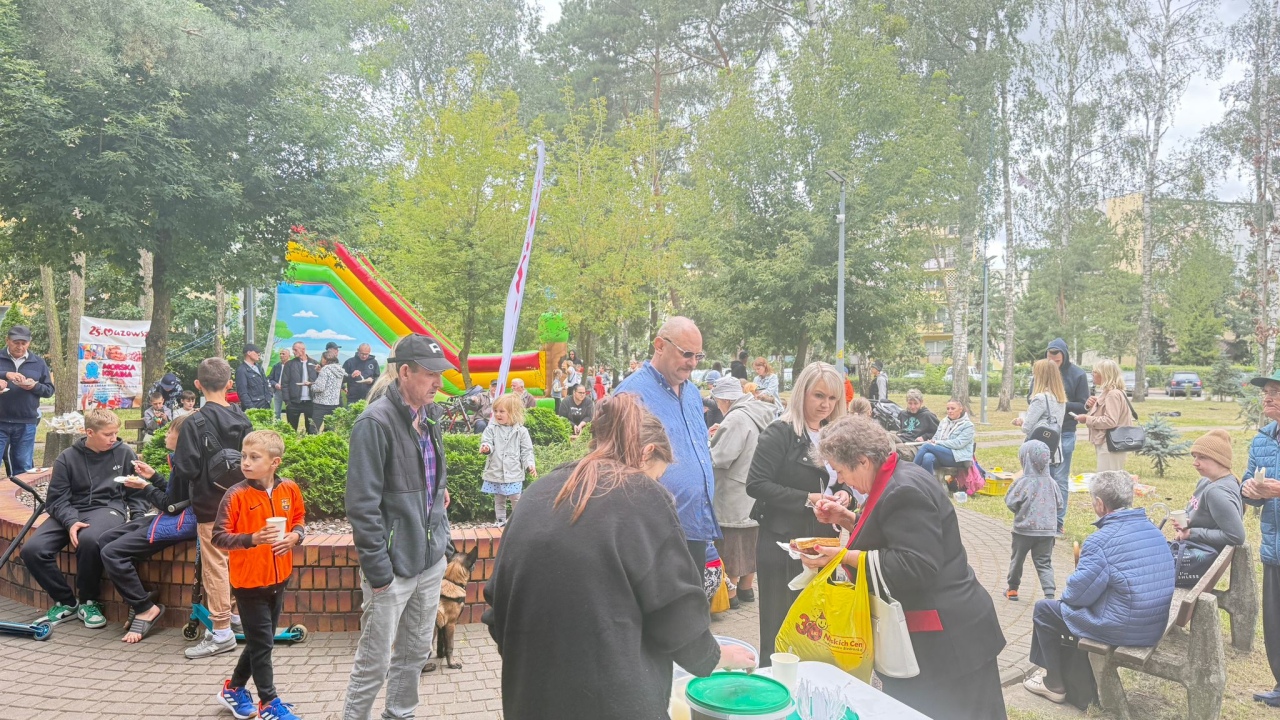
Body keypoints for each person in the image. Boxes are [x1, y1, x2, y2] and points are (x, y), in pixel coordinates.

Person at [482, 393, 756, 719]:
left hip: (530, 698)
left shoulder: (537, 493)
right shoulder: (642, 496)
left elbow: (497, 606)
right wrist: (713, 656)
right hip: (612, 702)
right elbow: (675, 610)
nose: (657, 484)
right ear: (647, 453)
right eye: (658, 475)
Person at [803, 414, 1007, 719]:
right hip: (947, 634)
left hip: (948, 641)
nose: (841, 479)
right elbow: (895, 532)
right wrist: (846, 518)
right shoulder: (898, 475)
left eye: (842, 471)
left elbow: (915, 564)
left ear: (862, 460)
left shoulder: (903, 490)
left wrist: (840, 556)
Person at [343, 334, 454, 720]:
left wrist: (443, 541)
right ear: (404, 372)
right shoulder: (374, 423)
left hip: (429, 563)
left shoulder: (430, 417)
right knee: (374, 665)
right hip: (391, 570)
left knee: (415, 655)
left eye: (440, 374)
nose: (438, 383)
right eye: (430, 374)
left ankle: (400, 714)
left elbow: (436, 487)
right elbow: (361, 504)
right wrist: (379, 573)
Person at [1023, 471, 1175, 705]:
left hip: (1124, 627)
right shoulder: (1153, 530)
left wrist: (1073, 586)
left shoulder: (1100, 541)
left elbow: (1075, 596)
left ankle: (1053, 683)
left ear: (1100, 504)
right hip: (1152, 623)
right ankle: (1051, 673)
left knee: (1045, 609)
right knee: (1059, 609)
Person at [745, 361, 851, 666]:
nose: (825, 405)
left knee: (817, 628)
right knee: (781, 626)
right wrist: (808, 498)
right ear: (801, 392)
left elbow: (844, 481)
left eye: (832, 399)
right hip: (783, 543)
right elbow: (756, 484)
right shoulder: (779, 432)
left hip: (825, 542)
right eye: (819, 396)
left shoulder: (834, 433)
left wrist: (845, 497)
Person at [211, 430, 306, 720]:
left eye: (255, 457)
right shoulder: (236, 494)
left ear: (274, 462)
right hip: (249, 582)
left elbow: (300, 520)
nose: (246, 463)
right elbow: (218, 537)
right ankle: (269, 702)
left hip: (279, 579)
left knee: (258, 642)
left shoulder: (289, 489)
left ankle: (234, 688)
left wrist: (295, 537)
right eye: (244, 456)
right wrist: (252, 539)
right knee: (263, 643)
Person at [613, 317, 719, 569]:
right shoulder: (630, 394)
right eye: (686, 354)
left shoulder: (692, 393)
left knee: (692, 604)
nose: (693, 363)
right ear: (660, 345)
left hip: (695, 525)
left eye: (698, 356)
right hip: (655, 535)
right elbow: (618, 465)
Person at [21, 408, 136, 628]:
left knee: (90, 539)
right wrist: (71, 521)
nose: (114, 439)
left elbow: (136, 493)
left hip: (108, 508)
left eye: (115, 433)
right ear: (89, 432)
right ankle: (66, 601)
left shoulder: (124, 453)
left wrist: (138, 519)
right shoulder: (67, 458)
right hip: (71, 509)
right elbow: (56, 500)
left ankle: (89, 601)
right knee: (32, 550)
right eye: (108, 434)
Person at [178, 357, 254, 660]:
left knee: (216, 567)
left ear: (198, 385)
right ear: (230, 384)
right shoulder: (243, 418)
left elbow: (185, 468)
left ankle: (221, 631)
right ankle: (236, 616)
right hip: (242, 501)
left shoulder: (193, 422)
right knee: (236, 561)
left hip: (211, 505)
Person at [101, 413, 195, 644]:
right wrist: (154, 477)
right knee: (106, 539)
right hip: (172, 517)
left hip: (180, 524)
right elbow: (176, 496)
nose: (166, 434)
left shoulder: (186, 463)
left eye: (171, 430)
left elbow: (170, 506)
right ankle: (140, 598)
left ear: (181, 437)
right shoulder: (181, 458)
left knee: (112, 552)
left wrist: (145, 487)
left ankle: (146, 608)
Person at [708, 377, 773, 608]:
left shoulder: (736, 417)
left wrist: (709, 443)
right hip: (754, 488)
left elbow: (722, 457)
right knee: (751, 541)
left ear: (725, 398)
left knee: (732, 543)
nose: (717, 405)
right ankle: (747, 589)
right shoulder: (758, 412)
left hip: (735, 490)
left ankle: (731, 595)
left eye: (717, 400)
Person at [1243, 369, 1280, 707]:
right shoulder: (1262, 439)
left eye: (1276, 392)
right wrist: (1250, 489)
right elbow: (1248, 486)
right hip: (1274, 545)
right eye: (1266, 391)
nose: (1267, 397)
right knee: (1275, 622)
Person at [1172, 429, 1245, 561]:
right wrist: (1188, 521)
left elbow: (1236, 536)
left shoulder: (1217, 491)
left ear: (1220, 460)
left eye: (1202, 457)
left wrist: (1191, 533)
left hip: (1200, 557)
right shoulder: (1206, 481)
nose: (1195, 462)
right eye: (1194, 456)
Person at [1004, 440, 1061, 601]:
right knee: (1044, 562)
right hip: (1047, 531)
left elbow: (1010, 502)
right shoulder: (1052, 483)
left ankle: (1012, 589)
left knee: (1017, 560)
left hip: (1023, 530)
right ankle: (1049, 593)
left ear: (1025, 459)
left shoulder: (1023, 482)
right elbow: (1060, 504)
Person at [1046, 338, 1091, 530]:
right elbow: (1032, 399)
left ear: (1064, 355)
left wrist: (1060, 403)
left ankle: (1058, 522)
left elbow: (1084, 405)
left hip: (1065, 432)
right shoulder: (1043, 372)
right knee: (1044, 478)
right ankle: (1043, 519)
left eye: (1057, 356)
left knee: (1060, 479)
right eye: (1050, 355)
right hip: (1044, 433)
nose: (1054, 359)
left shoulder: (1077, 375)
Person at [0, 325, 55, 477]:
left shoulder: (38, 362)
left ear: (29, 343)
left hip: (26, 422)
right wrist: (5, 375)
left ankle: (20, 498)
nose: (20, 346)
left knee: (23, 466)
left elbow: (49, 390)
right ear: (7, 341)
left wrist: (34, 386)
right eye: (16, 342)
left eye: (24, 343)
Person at [481, 394, 537, 528]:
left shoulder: (521, 431)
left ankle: (516, 521)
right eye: (495, 411)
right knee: (499, 497)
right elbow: (487, 441)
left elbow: (527, 451)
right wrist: (486, 448)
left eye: (502, 411)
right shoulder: (491, 428)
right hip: (496, 471)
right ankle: (500, 520)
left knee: (516, 497)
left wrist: (530, 464)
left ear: (512, 413)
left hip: (514, 472)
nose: (498, 414)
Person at [1075, 359, 1132, 472]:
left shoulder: (1112, 394)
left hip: (1110, 444)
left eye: (1095, 372)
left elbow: (1110, 420)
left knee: (1108, 481)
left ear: (1104, 374)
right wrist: (1092, 405)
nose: (1092, 374)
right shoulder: (1112, 392)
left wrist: (1087, 419)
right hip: (1110, 443)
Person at [1018, 358, 1068, 463]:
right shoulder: (1060, 397)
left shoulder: (1040, 398)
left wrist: (1022, 420)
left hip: (1038, 454)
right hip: (1054, 452)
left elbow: (1027, 428)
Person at [912, 400, 975, 475]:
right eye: (948, 409)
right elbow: (936, 437)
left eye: (953, 408)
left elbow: (958, 444)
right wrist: (933, 441)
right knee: (927, 457)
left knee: (926, 446)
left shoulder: (968, 425)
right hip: (942, 454)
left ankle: (911, 472)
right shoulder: (944, 422)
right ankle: (929, 484)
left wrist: (936, 443)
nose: (950, 411)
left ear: (960, 410)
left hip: (959, 458)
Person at [281, 341, 319, 434]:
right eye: (293, 350)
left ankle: (310, 446)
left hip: (311, 402)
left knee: (311, 429)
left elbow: (319, 382)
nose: (293, 352)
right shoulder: (289, 364)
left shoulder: (314, 363)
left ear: (303, 349)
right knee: (291, 430)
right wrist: (287, 401)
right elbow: (284, 383)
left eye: (295, 350)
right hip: (294, 403)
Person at [311, 353, 346, 431]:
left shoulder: (325, 369)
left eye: (321, 358)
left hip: (321, 404)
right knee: (330, 430)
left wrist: (311, 386)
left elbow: (320, 388)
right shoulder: (339, 369)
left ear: (325, 359)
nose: (320, 360)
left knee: (314, 428)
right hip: (334, 403)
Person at [235, 344, 272, 410]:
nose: (259, 354)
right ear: (249, 353)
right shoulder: (241, 370)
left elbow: (266, 383)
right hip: (253, 408)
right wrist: (252, 409)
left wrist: (269, 397)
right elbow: (242, 393)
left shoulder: (259, 367)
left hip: (265, 405)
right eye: (257, 352)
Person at [268, 348, 291, 421]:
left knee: (290, 411)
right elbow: (270, 378)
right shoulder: (276, 366)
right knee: (277, 412)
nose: (281, 355)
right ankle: (278, 425)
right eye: (280, 354)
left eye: (283, 354)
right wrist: (275, 384)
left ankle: (290, 426)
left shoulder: (293, 366)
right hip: (278, 391)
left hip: (289, 392)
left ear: (288, 355)